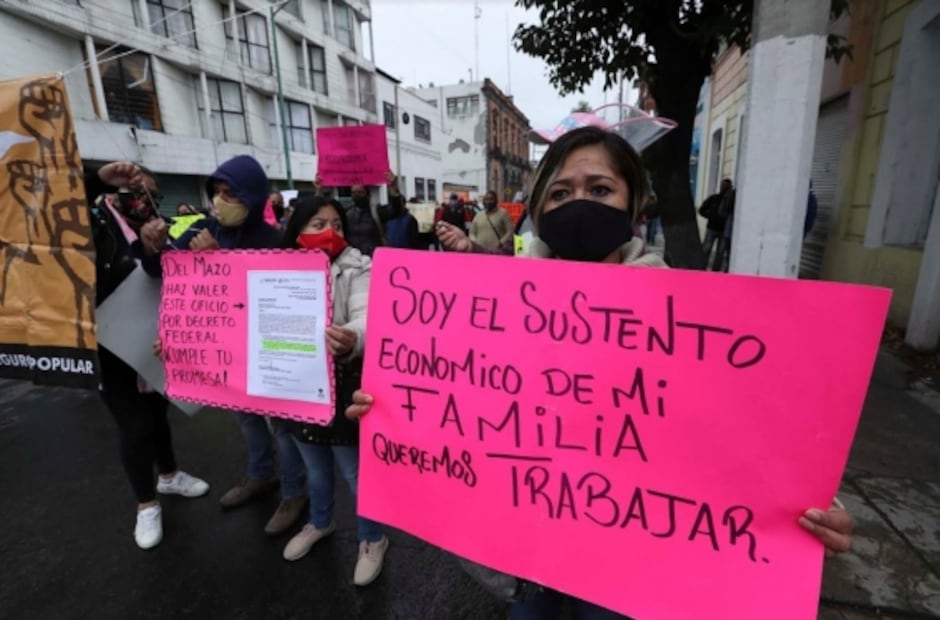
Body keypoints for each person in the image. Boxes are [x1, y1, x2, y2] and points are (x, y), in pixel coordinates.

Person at [343, 126, 854, 619]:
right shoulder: (489, 308)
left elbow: (738, 423)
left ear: (633, 205)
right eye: (560, 192)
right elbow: (455, 401)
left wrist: (802, 501)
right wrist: (392, 410)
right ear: (538, 208)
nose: (579, 203)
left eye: (600, 189)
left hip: (630, 563)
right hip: (520, 551)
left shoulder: (690, 317)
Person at [143, 155, 308, 537]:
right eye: (216, 192)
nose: (220, 201)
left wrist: (221, 262)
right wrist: (153, 248)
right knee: (246, 418)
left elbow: (281, 300)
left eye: (230, 193)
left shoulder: (275, 241)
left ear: (251, 197)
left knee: (284, 426)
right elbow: (161, 271)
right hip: (229, 351)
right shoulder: (202, 229)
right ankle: (261, 475)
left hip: (267, 350)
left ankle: (294, 492)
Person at [88, 162, 208, 550]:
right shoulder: (96, 226)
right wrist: (97, 180)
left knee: (157, 414)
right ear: (114, 195)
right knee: (135, 427)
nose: (143, 200)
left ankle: (169, 476)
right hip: (111, 343)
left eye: (151, 194)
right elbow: (56, 207)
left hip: (156, 341)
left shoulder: (165, 227)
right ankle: (146, 504)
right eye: (134, 192)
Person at [277, 195, 389, 585]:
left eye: (337, 225)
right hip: (296, 386)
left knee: (355, 473)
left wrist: (352, 338)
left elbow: (367, 315)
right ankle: (320, 522)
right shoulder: (275, 270)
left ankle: (373, 538)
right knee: (315, 467)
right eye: (318, 224)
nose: (330, 232)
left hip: (342, 386)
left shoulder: (358, 266)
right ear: (297, 230)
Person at [314, 172, 404, 256]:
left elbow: (396, 211)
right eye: (353, 193)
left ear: (368, 194)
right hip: (351, 260)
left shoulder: (377, 211)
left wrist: (393, 188)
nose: (356, 195)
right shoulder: (347, 213)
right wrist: (319, 191)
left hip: (374, 259)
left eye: (360, 192)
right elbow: (325, 208)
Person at [699, 179, 732, 267]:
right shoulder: (714, 198)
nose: (723, 188)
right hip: (712, 228)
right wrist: (710, 216)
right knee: (706, 248)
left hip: (723, 230)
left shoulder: (730, 201)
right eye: (723, 185)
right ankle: (702, 267)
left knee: (720, 252)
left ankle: (716, 269)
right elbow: (702, 210)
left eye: (726, 186)